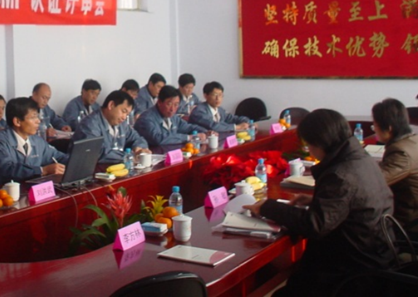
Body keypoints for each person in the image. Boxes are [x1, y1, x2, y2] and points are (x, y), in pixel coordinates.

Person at [244, 109, 394, 297]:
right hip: (374, 255)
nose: (310, 150)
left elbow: (315, 225)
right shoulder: (361, 159)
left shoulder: (340, 175)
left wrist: (268, 206)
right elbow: (353, 202)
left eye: (309, 145)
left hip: (353, 271)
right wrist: (317, 200)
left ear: (320, 143)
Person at [0, 97, 68, 187]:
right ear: (17, 122)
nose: (38, 121)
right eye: (33, 117)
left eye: (37, 116)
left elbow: (59, 157)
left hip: (24, 190)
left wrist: (74, 162)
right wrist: (42, 170)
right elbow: (5, 171)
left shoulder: (37, 141)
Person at [372, 98, 418, 238]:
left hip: (407, 221)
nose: (374, 130)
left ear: (389, 128)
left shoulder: (400, 152)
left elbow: (374, 184)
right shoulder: (413, 140)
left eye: (375, 126)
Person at [73, 90, 150, 163]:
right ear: (111, 105)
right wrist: (129, 156)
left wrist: (139, 148)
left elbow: (138, 138)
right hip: (93, 170)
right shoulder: (90, 124)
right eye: (123, 111)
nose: (124, 117)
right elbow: (98, 153)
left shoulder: (122, 124)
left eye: (127, 114)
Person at [134, 85, 207, 147]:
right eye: (169, 104)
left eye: (176, 105)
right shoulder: (146, 119)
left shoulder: (173, 117)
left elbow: (188, 127)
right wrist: (188, 137)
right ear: (159, 102)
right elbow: (158, 139)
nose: (172, 109)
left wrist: (206, 132)